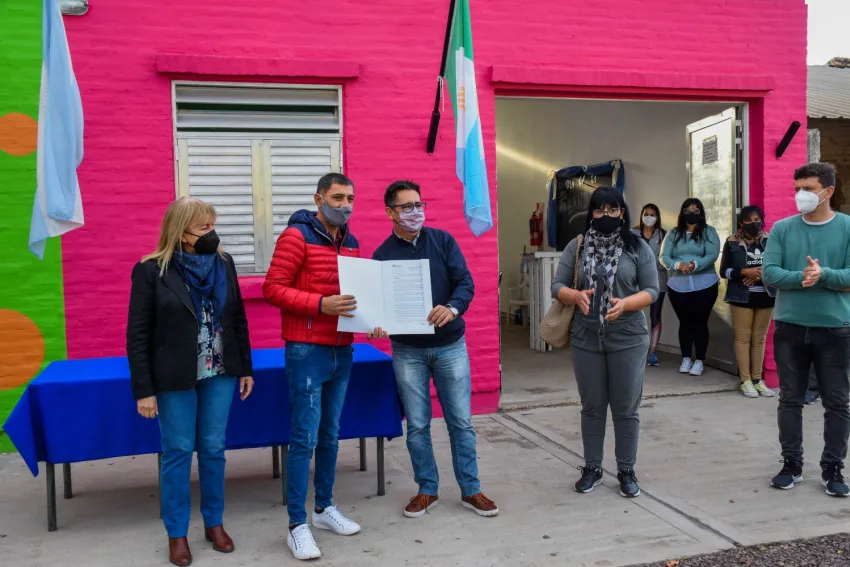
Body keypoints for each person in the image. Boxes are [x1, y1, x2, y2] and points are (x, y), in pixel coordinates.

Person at [127, 198, 254, 567]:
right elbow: (138, 333)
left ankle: (214, 523)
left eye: (213, 226)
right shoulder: (151, 270)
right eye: (203, 228)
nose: (212, 234)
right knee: (178, 451)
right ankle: (177, 532)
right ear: (181, 233)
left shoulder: (224, 263)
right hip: (174, 377)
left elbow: (238, 319)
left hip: (220, 371)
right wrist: (144, 390)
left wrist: (245, 368)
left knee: (213, 448)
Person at [368, 180, 498, 518]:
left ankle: (471, 489)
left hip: (449, 346)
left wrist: (452, 308)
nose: (415, 212)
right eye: (406, 207)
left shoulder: (443, 241)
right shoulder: (381, 256)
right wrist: (376, 322)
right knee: (417, 425)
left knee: (461, 422)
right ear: (390, 213)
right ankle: (427, 488)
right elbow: (376, 306)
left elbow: (465, 283)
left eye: (419, 205)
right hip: (407, 350)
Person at [262, 173, 362, 560]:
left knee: (331, 435)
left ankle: (323, 508)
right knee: (304, 437)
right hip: (306, 349)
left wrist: (373, 320)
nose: (344, 205)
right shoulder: (296, 236)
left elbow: (357, 295)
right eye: (337, 198)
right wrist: (321, 304)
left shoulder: (351, 241)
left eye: (350, 198)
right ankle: (296, 525)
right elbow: (272, 288)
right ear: (319, 199)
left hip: (342, 348)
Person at [551, 186, 659, 498]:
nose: (606, 215)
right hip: (586, 337)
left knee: (625, 407)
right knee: (592, 406)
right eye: (599, 210)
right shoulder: (578, 245)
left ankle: (626, 470)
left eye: (612, 210)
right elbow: (557, 285)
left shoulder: (637, 246)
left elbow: (652, 290)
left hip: (628, 337)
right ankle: (592, 468)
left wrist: (626, 304)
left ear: (622, 213)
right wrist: (575, 296)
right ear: (591, 213)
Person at [763, 162, 850, 497]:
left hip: (835, 328)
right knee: (790, 400)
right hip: (790, 327)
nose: (801, 195)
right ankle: (791, 464)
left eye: (809, 189)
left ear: (828, 191)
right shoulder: (783, 229)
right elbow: (770, 273)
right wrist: (803, 277)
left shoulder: (846, 227)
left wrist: (824, 274)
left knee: (837, 403)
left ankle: (833, 468)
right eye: (797, 188)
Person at [719, 206, 776, 398]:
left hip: (766, 295)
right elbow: (724, 271)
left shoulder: (770, 240)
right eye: (749, 220)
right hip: (740, 296)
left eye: (757, 219)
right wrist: (744, 272)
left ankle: (757, 380)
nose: (754, 223)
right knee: (743, 338)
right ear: (741, 222)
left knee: (759, 339)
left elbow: (778, 266)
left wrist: (759, 275)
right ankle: (745, 381)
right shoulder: (732, 242)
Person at [659, 198, 721, 376]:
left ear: (701, 212)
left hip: (705, 284)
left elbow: (712, 254)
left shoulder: (709, 232)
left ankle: (699, 359)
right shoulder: (673, 234)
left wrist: (696, 265)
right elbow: (664, 256)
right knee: (685, 322)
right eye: (687, 209)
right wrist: (677, 265)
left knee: (700, 322)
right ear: (682, 212)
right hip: (679, 286)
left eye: (695, 209)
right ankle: (686, 357)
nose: (691, 212)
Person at [631, 204, 667, 367]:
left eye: (653, 215)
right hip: (635, 281)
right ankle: (634, 348)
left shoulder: (663, 235)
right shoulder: (633, 234)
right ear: (641, 215)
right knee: (633, 314)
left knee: (655, 315)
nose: (649, 217)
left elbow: (666, 256)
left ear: (657, 217)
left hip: (658, 280)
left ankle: (652, 351)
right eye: (647, 214)